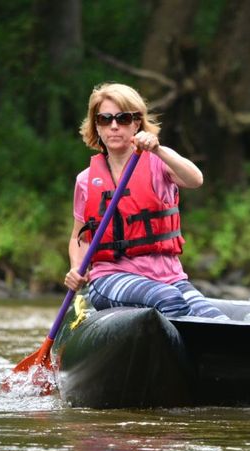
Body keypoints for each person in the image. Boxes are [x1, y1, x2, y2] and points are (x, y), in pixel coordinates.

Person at [64, 82, 226, 319]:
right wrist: (75, 268)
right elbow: (78, 236)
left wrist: (158, 150)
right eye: (105, 119)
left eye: (124, 118)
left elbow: (195, 179)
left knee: (217, 320)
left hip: (169, 278)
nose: (114, 126)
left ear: (137, 123)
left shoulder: (159, 162)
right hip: (110, 277)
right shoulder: (86, 180)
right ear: (96, 126)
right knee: (168, 300)